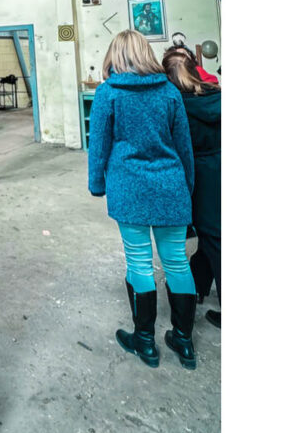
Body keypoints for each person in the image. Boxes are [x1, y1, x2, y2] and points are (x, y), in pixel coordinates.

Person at [88, 30, 198, 369]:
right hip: (170, 186)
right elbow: (184, 145)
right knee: (177, 261)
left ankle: (145, 342)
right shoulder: (169, 91)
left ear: (115, 56)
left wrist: (96, 184)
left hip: (129, 188)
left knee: (139, 262)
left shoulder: (108, 93)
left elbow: (98, 145)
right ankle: (184, 341)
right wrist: (187, 186)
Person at [162, 51, 221, 329]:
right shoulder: (217, 96)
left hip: (202, 174)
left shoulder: (178, 106)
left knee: (215, 240)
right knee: (211, 238)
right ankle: (199, 284)